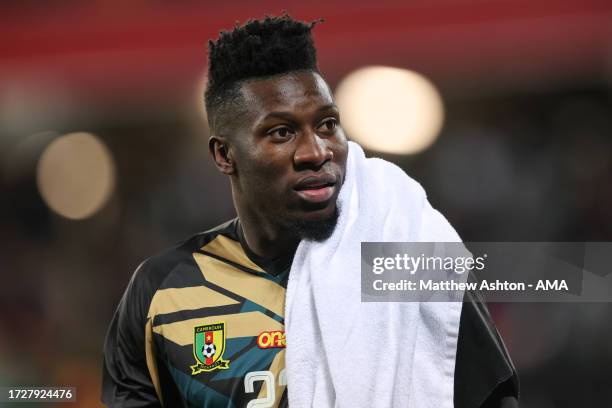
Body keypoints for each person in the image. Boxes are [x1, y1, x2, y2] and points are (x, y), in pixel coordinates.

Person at [102, 13, 519, 408]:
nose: (317, 152)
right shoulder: (162, 292)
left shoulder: (407, 254)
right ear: (225, 155)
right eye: (281, 132)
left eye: (326, 124)